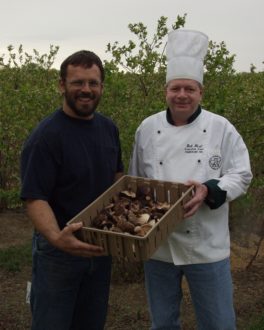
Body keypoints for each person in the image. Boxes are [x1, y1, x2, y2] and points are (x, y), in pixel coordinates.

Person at [128, 29, 252, 330]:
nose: (181, 95)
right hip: (158, 246)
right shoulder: (147, 129)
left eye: (189, 88)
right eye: (176, 88)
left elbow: (242, 174)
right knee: (163, 323)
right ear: (165, 91)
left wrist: (210, 189)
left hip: (206, 245)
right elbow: (136, 181)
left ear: (201, 92)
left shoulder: (221, 128)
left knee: (219, 323)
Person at [20, 50, 124, 330]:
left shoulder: (108, 129)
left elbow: (116, 175)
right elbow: (34, 196)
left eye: (93, 83)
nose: (86, 90)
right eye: (78, 82)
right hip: (59, 252)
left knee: (91, 322)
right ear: (62, 85)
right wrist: (57, 238)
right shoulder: (46, 137)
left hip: (100, 246)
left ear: (102, 87)